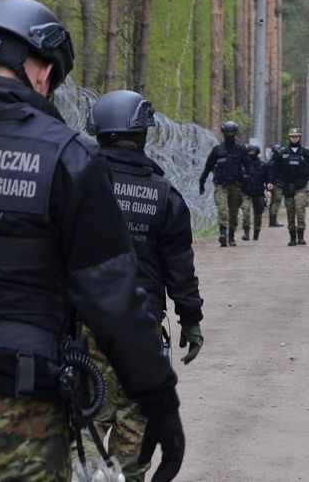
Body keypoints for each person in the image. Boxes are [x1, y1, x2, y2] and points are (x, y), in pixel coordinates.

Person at [0, 0, 184, 482]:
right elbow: (113, 298)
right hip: (18, 412)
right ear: (41, 74)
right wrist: (158, 399)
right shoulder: (67, 157)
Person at [86, 89, 204, 481]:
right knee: (135, 434)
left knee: (82, 424)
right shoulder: (164, 195)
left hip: (82, 328)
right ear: (144, 134)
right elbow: (179, 269)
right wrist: (191, 319)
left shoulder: (76, 182)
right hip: (141, 328)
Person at [199, 120, 249, 247]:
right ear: (224, 133)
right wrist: (202, 183)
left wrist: (248, 184)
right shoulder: (217, 150)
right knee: (222, 209)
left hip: (236, 186)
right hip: (221, 185)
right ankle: (222, 233)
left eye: (232, 133)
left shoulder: (241, 150)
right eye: (228, 133)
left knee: (233, 212)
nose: (230, 135)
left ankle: (231, 235)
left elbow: (249, 168)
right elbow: (208, 167)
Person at [273, 127, 309, 246]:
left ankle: (301, 235)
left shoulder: (305, 152)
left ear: (300, 137)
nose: (294, 138)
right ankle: (292, 236)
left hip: (301, 186)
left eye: (297, 136)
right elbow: (276, 169)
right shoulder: (283, 153)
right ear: (289, 137)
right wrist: (272, 183)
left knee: (300, 209)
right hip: (287, 186)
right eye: (292, 136)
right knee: (290, 211)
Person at [241, 143, 267, 240]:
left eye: (253, 151)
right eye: (250, 151)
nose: (251, 153)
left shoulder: (262, 165)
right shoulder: (243, 166)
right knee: (246, 212)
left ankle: (256, 232)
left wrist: (268, 189)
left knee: (258, 213)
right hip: (246, 192)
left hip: (258, 193)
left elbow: (267, 179)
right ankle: (246, 233)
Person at [264, 145, 284, 227]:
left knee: (273, 202)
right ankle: (273, 221)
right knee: (276, 201)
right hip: (277, 184)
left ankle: (272, 221)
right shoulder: (279, 163)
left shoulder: (269, 163)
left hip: (270, 184)